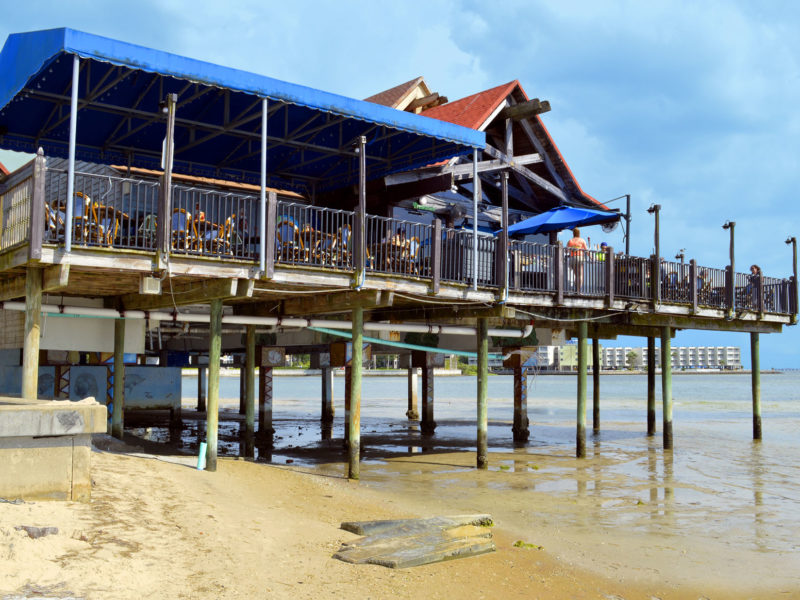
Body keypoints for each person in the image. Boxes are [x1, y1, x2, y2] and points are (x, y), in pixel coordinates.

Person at [566, 227, 588, 292]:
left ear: (573, 233)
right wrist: (591, 257)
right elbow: (586, 250)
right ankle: (578, 290)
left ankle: (576, 289)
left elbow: (567, 250)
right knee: (580, 275)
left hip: (572, 258)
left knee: (576, 275)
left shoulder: (570, 241)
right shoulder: (582, 240)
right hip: (579, 257)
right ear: (579, 233)